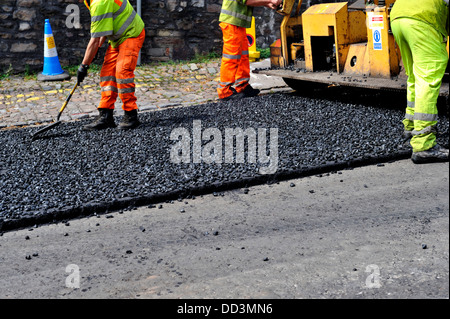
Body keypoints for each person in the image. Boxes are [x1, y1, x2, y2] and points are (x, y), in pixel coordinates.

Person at [390, 0, 449, 163]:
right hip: (422, 18)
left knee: (415, 76)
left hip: (398, 16)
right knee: (427, 79)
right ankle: (424, 144)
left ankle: (410, 127)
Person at [77, 0, 145, 130]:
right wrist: (96, 48)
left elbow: (95, 39)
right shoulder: (91, 1)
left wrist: (84, 66)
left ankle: (131, 115)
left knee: (122, 72)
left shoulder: (99, 3)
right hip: (117, 38)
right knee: (107, 73)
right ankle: (105, 115)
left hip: (132, 34)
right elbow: (103, 27)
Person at [218, 0, 283, 101]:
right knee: (231, 57)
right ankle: (224, 91)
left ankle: (242, 86)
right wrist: (270, 0)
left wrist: (267, 3)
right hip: (231, 23)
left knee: (243, 56)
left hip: (237, 23)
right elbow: (247, 1)